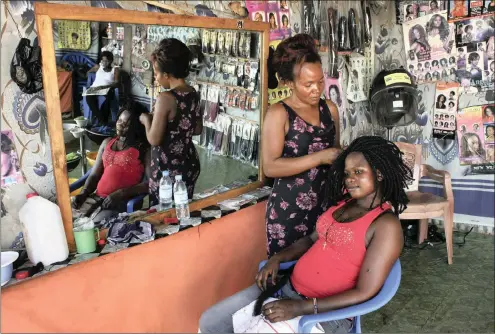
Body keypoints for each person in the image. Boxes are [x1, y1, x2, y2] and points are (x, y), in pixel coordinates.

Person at [199, 136, 409, 333]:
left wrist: (301, 308)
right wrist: (277, 258)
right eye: (347, 173)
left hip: (326, 315)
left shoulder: (384, 226)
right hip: (287, 289)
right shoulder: (345, 204)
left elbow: (364, 292)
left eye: (358, 172)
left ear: (379, 173)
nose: (350, 179)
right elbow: (310, 240)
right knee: (211, 322)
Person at [261, 34, 341, 257]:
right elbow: (270, 167)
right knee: (288, 275)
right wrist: (319, 157)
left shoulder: (330, 109)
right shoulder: (279, 114)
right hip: (289, 211)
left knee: (323, 270)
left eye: (320, 81)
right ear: (289, 83)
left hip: (327, 206)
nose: (317, 89)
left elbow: (336, 151)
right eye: (308, 84)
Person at [140, 38, 202, 205]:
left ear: (166, 75)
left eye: (156, 73)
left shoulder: (166, 98)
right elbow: (196, 129)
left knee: (165, 215)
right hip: (189, 164)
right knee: (183, 209)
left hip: (167, 170)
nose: (156, 77)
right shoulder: (193, 93)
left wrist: (146, 119)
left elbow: (154, 139)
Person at [72, 103, 150, 221]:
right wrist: (84, 192)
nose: (120, 125)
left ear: (136, 127)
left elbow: (150, 183)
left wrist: (122, 193)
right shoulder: (107, 142)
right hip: (96, 197)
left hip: (121, 201)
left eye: (126, 124)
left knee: (94, 225)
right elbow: (94, 175)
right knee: (69, 218)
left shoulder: (143, 149)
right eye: (119, 120)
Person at [86, 51, 120, 126]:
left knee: (107, 98)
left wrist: (104, 87)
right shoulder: (99, 66)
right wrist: (89, 74)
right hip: (95, 88)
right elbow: (89, 72)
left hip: (107, 89)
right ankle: (101, 120)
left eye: (106, 61)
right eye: (103, 60)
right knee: (88, 97)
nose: (104, 63)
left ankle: (102, 121)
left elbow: (116, 83)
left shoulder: (115, 70)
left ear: (111, 61)